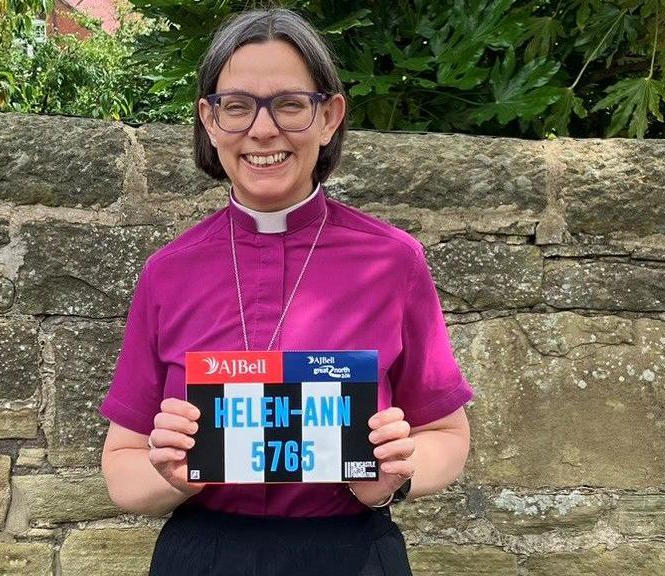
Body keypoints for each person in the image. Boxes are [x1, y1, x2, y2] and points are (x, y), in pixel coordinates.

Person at [98, 8, 474, 576]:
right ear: (209, 120)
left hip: (350, 552)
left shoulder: (394, 261)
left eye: (290, 104)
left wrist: (396, 473)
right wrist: (170, 476)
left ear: (329, 118)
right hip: (204, 555)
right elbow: (121, 465)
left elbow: (446, 433)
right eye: (238, 105)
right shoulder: (167, 273)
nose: (263, 129)